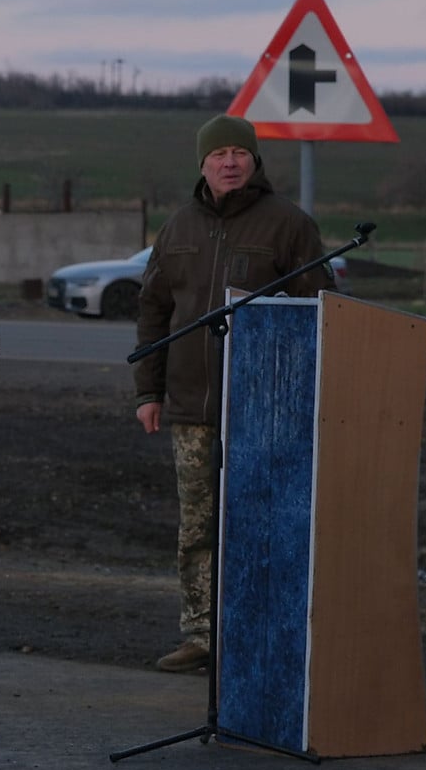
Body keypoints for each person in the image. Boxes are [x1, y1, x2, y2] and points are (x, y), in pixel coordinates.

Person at [133, 114, 335, 673]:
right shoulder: (177, 229)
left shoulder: (289, 225)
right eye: (218, 154)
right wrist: (147, 392)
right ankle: (202, 635)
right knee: (198, 526)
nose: (229, 162)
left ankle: (261, 634)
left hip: (265, 410)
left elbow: (319, 311)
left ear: (254, 161)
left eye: (239, 153)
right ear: (202, 163)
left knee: (262, 525)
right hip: (192, 408)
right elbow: (153, 314)